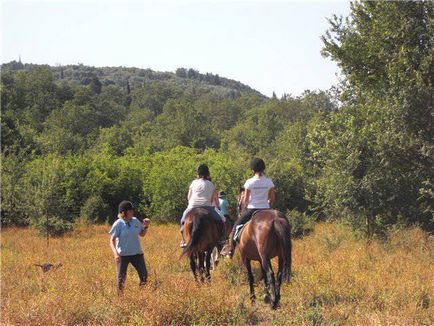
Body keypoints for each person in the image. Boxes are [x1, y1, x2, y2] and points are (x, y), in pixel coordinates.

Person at [221, 158, 275, 258]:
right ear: (263, 169)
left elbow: (245, 200)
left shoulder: (249, 182)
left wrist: (244, 209)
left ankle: (231, 249)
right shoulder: (269, 182)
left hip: (252, 209)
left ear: (252, 169)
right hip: (266, 209)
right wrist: (268, 206)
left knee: (235, 226)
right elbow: (272, 198)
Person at [180, 164, 226, 248]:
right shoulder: (210, 184)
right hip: (207, 207)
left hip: (193, 205)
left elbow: (189, 196)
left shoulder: (193, 182)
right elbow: (212, 199)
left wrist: (192, 204)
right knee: (221, 220)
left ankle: (183, 240)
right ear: (207, 173)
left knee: (183, 220)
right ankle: (221, 239)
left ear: (198, 173)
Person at [109, 200, 150, 294]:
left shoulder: (135, 221)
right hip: (123, 256)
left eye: (132, 210)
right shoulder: (118, 224)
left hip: (137, 254)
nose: (132, 212)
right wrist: (116, 254)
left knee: (144, 276)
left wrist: (146, 226)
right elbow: (112, 240)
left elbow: (142, 234)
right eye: (130, 210)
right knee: (121, 280)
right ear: (123, 212)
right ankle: (120, 300)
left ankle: (141, 295)